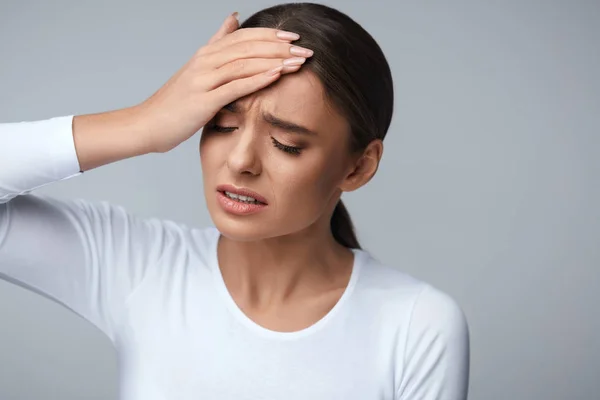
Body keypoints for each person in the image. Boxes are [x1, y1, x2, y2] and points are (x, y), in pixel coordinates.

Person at [0, 3, 469, 400]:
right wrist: (144, 124)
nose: (241, 161)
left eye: (286, 143)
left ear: (358, 167)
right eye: (221, 125)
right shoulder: (137, 265)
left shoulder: (416, 325)